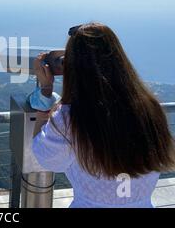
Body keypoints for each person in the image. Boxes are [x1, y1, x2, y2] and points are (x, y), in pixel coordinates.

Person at [31, 22, 175, 208]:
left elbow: (44, 158)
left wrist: (45, 93)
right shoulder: (150, 108)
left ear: (73, 68)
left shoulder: (70, 118)